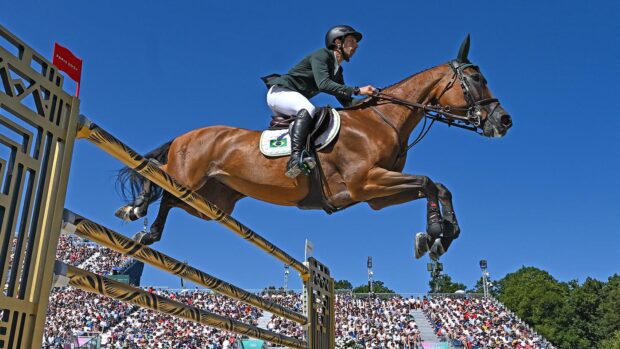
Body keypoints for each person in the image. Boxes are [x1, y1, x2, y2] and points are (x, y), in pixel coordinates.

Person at [265, 25, 377, 178]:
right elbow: (323, 84)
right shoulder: (322, 54)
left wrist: (371, 103)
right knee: (309, 109)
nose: (356, 45)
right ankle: (296, 158)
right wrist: (358, 90)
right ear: (338, 42)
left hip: (290, 97)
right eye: (352, 41)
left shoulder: (338, 70)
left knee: (313, 116)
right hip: (280, 93)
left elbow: (347, 103)